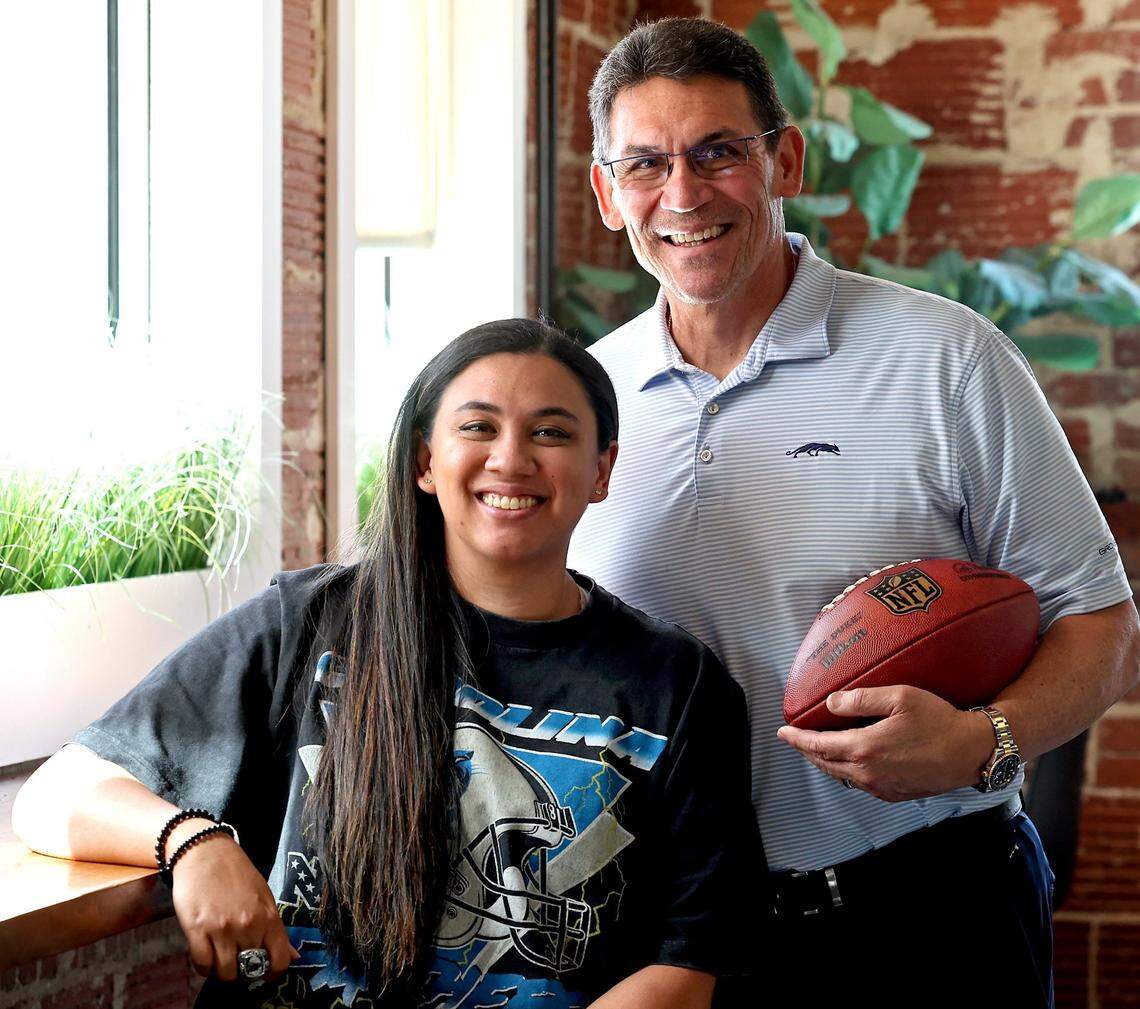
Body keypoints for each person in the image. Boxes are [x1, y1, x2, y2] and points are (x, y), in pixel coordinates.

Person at [567, 16, 1140, 1006]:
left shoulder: (946, 360)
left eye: (718, 152)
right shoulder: (581, 401)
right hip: (680, 937)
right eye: (647, 164)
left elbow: (1104, 625)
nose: (684, 194)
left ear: (784, 160)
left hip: (930, 916)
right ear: (608, 194)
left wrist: (982, 741)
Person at [13, 319, 757, 1009]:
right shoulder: (308, 623)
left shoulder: (677, 686)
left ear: (602, 469)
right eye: (478, 427)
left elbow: (688, 964)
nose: (510, 458)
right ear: (427, 462)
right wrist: (193, 842)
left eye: (550, 432)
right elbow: (56, 795)